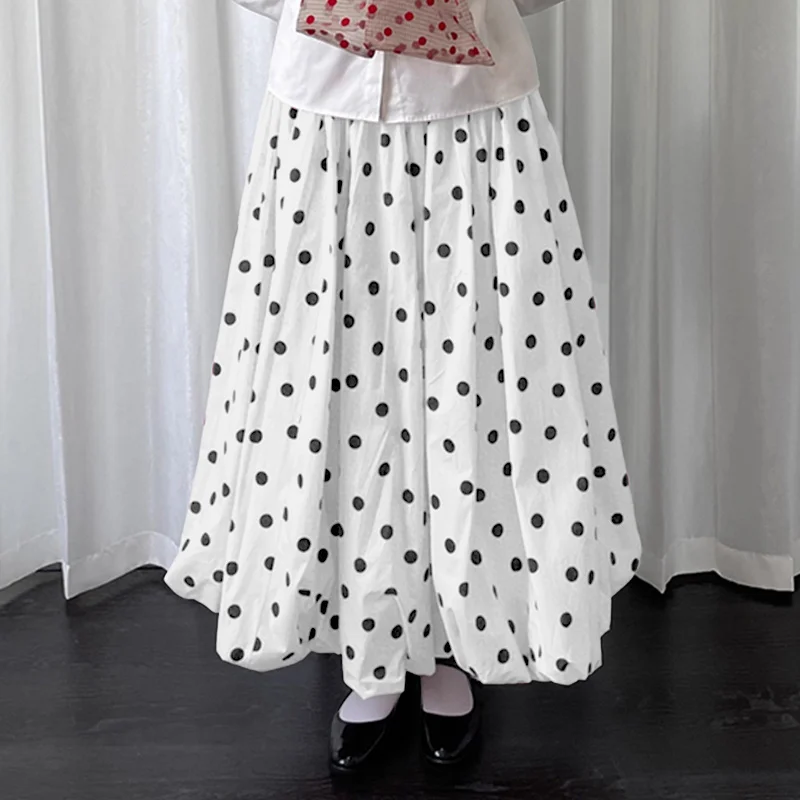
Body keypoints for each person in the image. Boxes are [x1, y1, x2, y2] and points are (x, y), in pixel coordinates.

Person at [164, 0, 642, 776]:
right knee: (340, 391)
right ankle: (375, 648)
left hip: (474, 116)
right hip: (327, 116)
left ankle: (449, 643)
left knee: (476, 383)